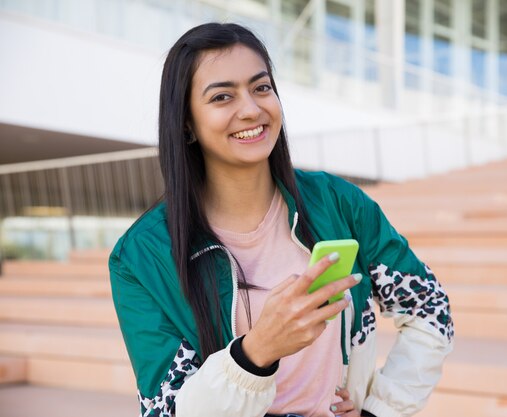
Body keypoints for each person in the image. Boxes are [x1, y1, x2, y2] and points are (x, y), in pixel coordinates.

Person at [109, 22, 454, 417]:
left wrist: (380, 411)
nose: (252, 109)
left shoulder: (338, 204)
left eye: (261, 87)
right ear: (186, 122)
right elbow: (166, 410)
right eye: (223, 96)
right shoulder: (141, 256)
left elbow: (429, 305)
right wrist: (256, 351)